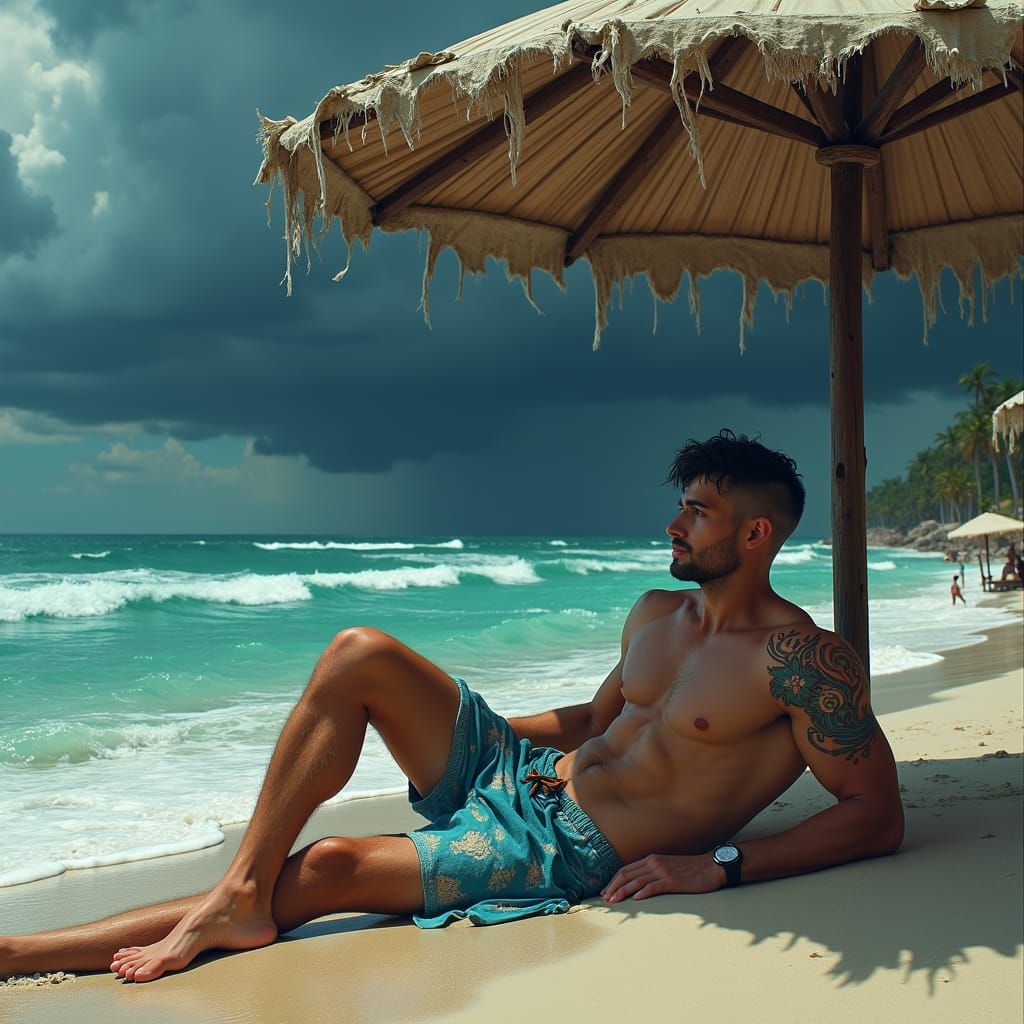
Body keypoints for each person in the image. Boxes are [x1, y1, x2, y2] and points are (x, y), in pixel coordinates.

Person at [0, 431, 905, 984]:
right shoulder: (658, 613)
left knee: (329, 868)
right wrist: (474, 734)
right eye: (678, 506)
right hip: (526, 777)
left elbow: (878, 817)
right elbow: (596, 723)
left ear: (755, 533)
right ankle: (240, 889)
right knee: (363, 655)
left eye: (697, 513)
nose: (673, 525)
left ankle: (20, 954)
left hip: (570, 846)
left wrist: (723, 867)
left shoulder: (804, 662)